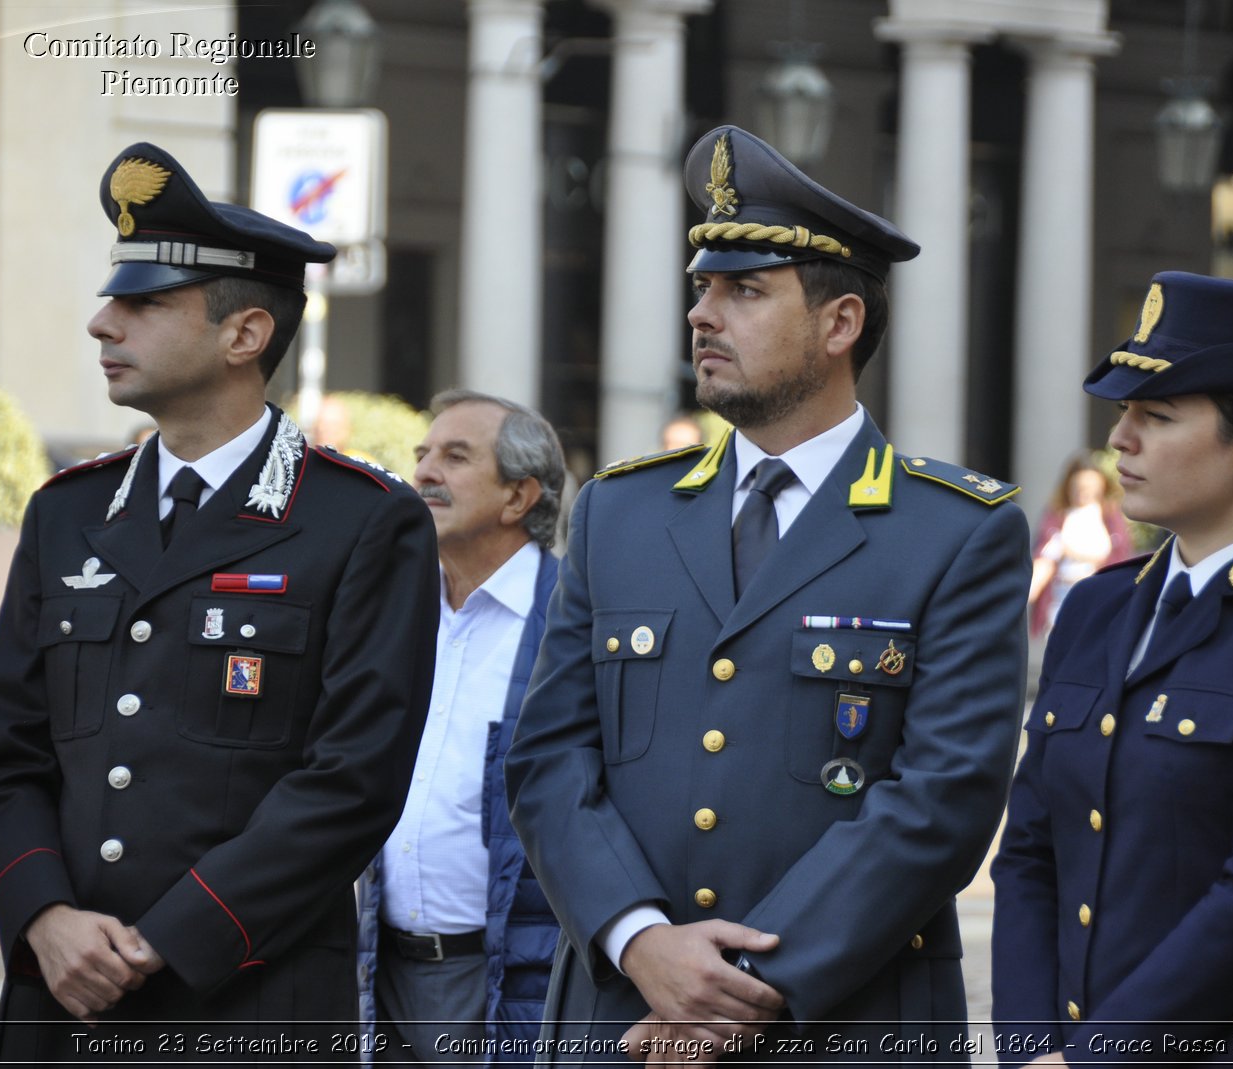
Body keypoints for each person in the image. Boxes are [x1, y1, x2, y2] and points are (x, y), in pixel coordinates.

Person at [505, 125, 1031, 1064]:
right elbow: (549, 758)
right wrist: (640, 937)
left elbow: (942, 800)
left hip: (841, 1022)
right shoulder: (621, 512)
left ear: (839, 325)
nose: (703, 314)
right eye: (702, 287)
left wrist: (734, 994)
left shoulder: (955, 529)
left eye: (744, 291)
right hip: (625, 1012)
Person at [0, 142, 440, 1063]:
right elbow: (4, 760)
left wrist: (166, 938)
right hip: (60, 1002)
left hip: (248, 999)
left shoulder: (363, 521)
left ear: (244, 334)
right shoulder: (68, 512)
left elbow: (352, 782)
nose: (103, 323)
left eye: (143, 304)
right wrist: (46, 917)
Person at [990, 271, 1233, 1063]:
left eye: (1157, 416)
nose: (1120, 441)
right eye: (1124, 413)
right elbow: (1030, 851)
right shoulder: (1098, 606)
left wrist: (1093, 1056)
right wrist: (1031, 1045)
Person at [357, 389, 565, 1063]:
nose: (423, 472)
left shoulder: (571, 620)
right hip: (377, 968)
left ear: (519, 497)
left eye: (454, 455)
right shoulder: (392, 611)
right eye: (421, 454)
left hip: (508, 977)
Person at [1028, 453, 1134, 639]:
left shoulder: (1111, 518)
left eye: (1091, 489)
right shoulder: (1057, 517)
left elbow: (1119, 557)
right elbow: (1044, 560)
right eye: (1079, 488)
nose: (1085, 494)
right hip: (1060, 601)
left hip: (1099, 601)